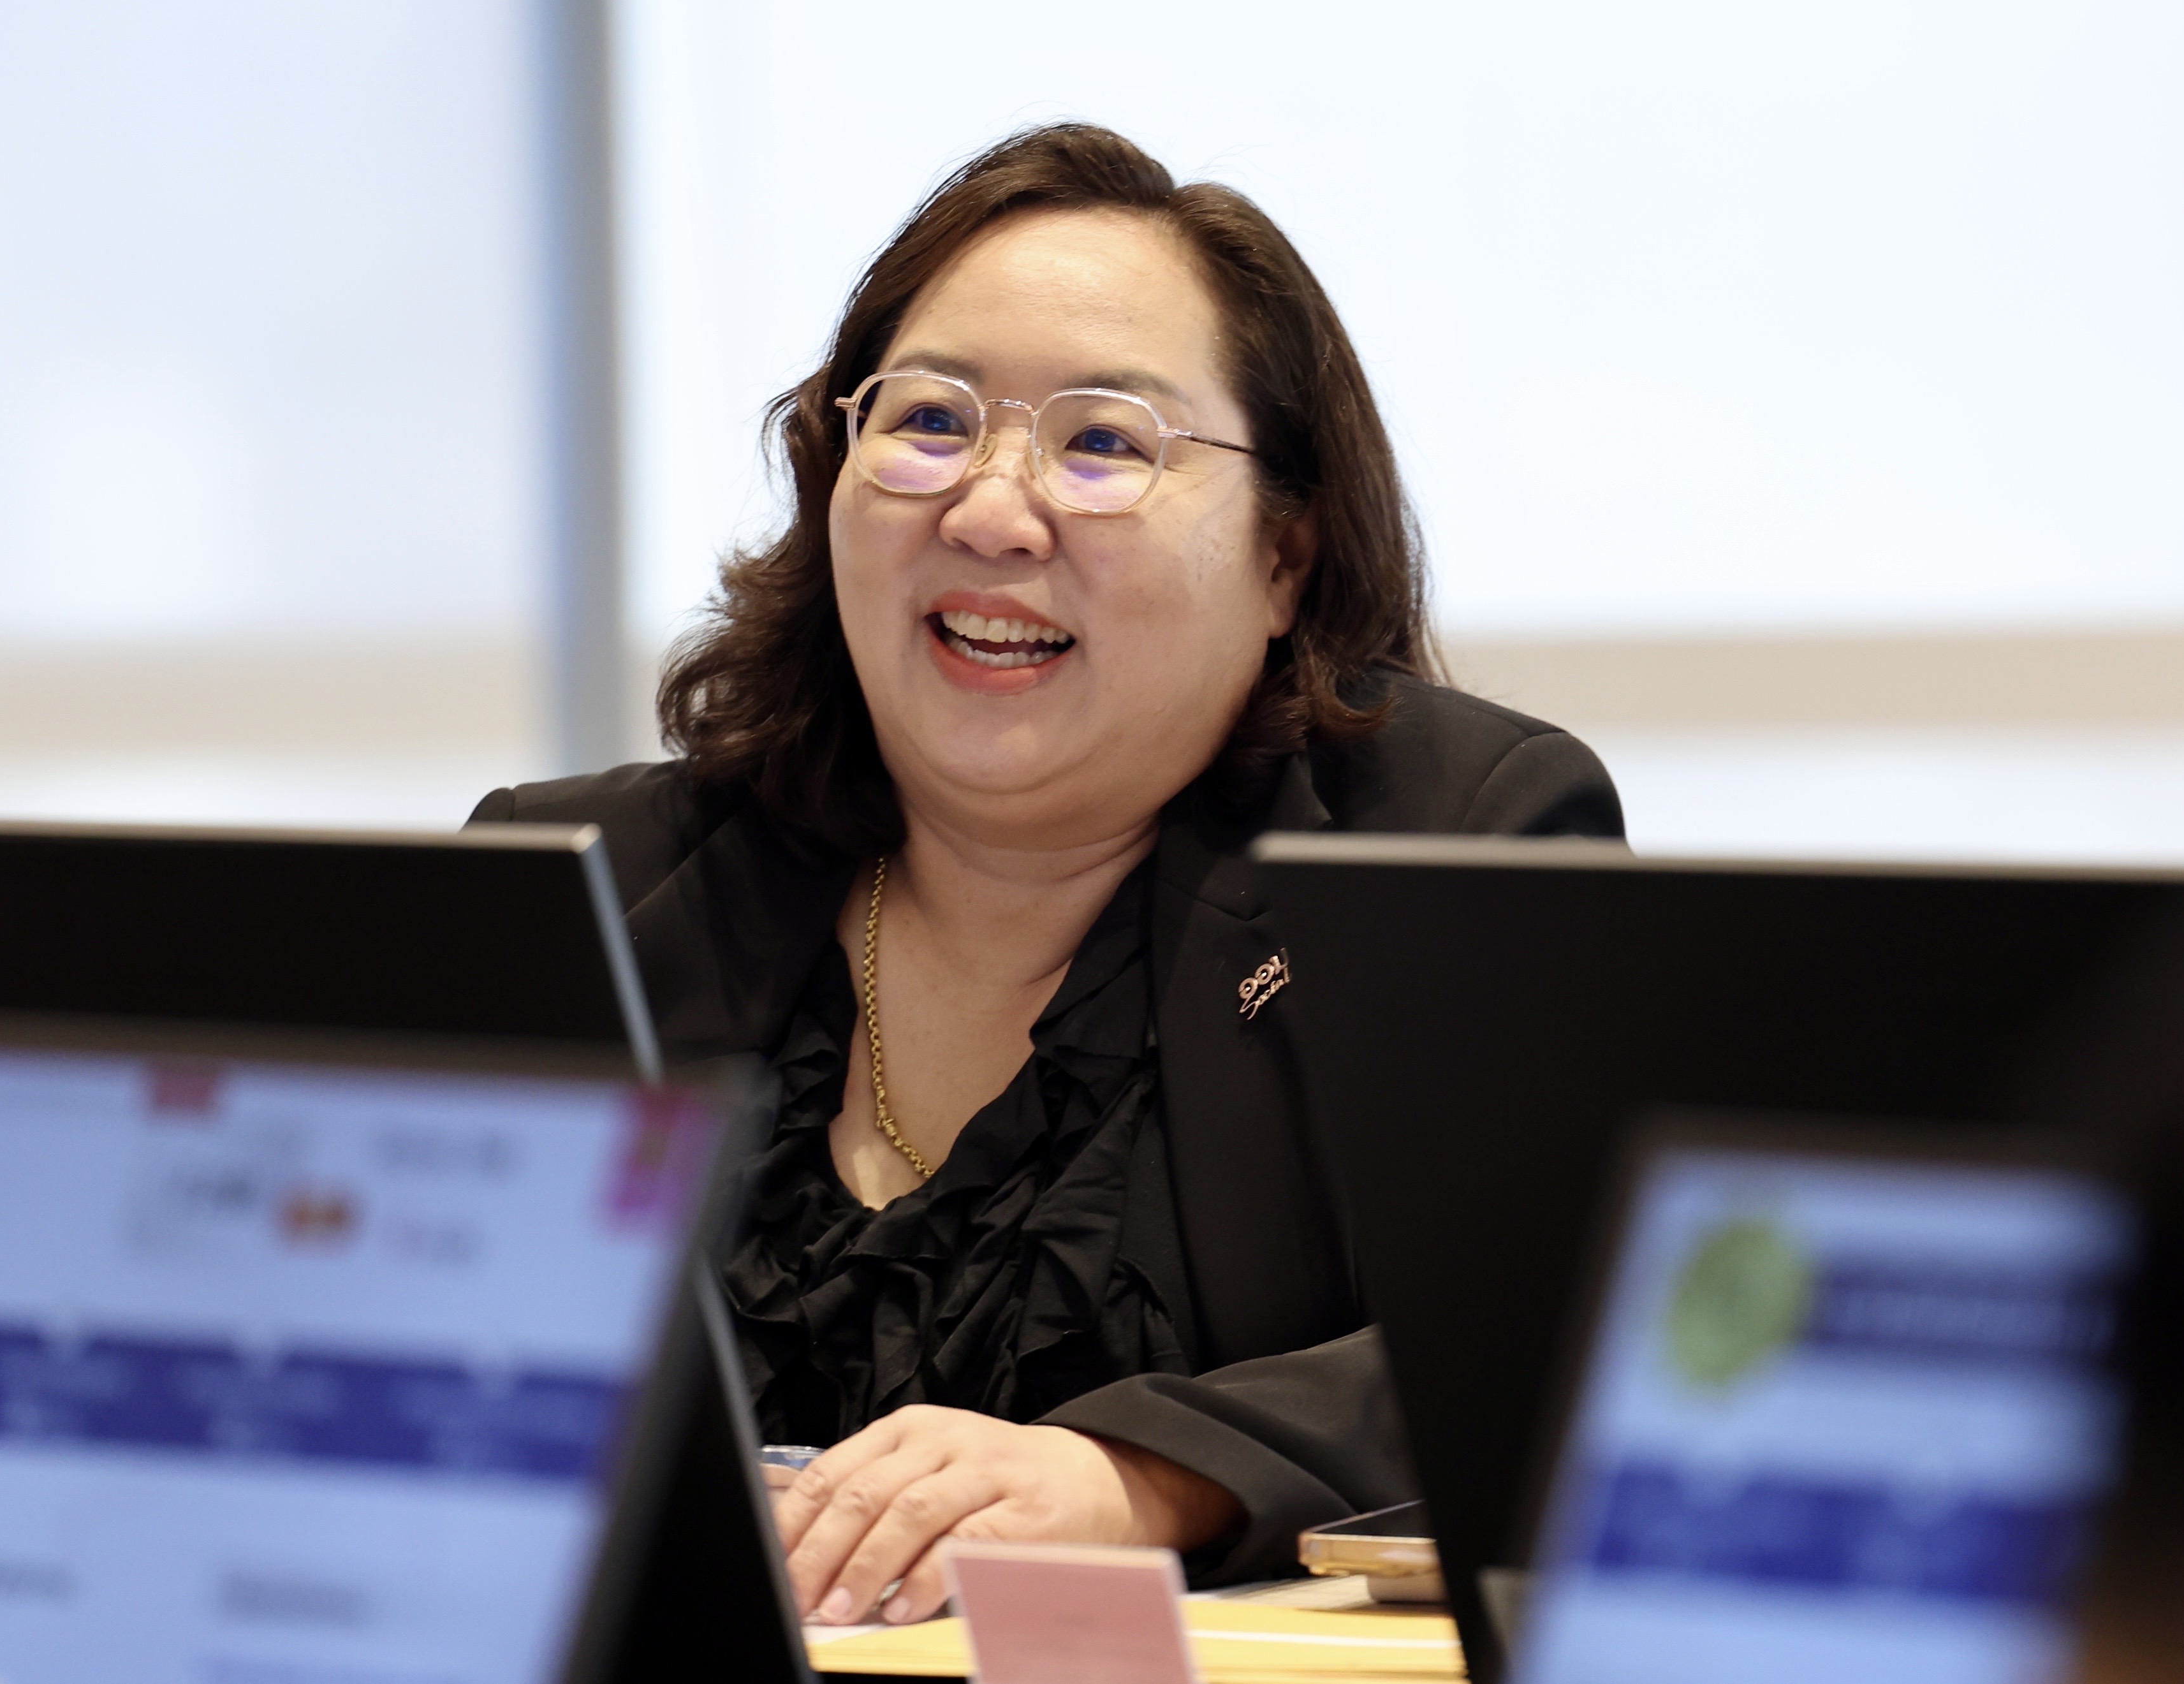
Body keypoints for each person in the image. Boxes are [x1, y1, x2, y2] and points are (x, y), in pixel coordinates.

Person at [471, 124, 1623, 1627]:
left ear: (1284, 557)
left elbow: (1562, 1346)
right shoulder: (593, 891)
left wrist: (1134, 1479)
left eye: (1102, 444)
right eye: (928, 421)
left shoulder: (1445, 845)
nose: (988, 510)